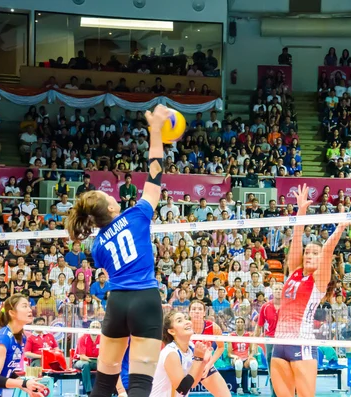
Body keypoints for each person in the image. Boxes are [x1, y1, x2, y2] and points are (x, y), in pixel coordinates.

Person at [66, 104, 172, 397]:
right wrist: (155, 131)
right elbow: (155, 173)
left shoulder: (97, 245)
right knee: (139, 383)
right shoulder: (137, 214)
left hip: (117, 304)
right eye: (108, 195)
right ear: (112, 207)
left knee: (104, 382)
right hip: (146, 300)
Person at [271, 184, 351, 397]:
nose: (309, 254)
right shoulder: (295, 271)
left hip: (302, 342)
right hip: (279, 343)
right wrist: (301, 211)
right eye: (308, 252)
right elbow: (297, 238)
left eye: (314, 253)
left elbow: (327, 252)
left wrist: (340, 229)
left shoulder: (319, 280)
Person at [0, 294, 47, 397]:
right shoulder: (3, 338)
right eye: (24, 306)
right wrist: (24, 383)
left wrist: (27, 387)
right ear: (12, 313)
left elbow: (7, 371)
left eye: (29, 306)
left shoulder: (21, 338)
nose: (30, 309)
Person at [150, 311, 230, 397]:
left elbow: (193, 384)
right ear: (172, 331)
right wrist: (198, 359)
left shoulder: (191, 347)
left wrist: (203, 361)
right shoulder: (170, 353)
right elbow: (182, 389)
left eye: (186, 318)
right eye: (180, 321)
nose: (187, 322)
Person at [254, 283, 282, 397]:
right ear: (272, 291)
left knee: (286, 369)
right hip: (270, 339)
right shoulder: (265, 307)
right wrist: (254, 343)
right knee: (272, 370)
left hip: (285, 339)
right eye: (276, 289)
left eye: (281, 289)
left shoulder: (288, 306)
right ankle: (274, 394)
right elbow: (259, 326)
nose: (278, 291)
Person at [189, 300, 225, 373]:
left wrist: (209, 364)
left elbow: (221, 347)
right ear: (189, 313)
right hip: (187, 364)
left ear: (204, 313)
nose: (197, 312)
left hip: (205, 364)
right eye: (193, 309)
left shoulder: (213, 327)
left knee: (221, 385)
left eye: (200, 309)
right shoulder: (184, 327)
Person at [228, 317, 259, 395]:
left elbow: (252, 351)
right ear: (235, 324)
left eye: (241, 322)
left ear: (244, 324)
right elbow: (229, 353)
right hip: (236, 358)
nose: (239, 323)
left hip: (246, 358)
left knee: (254, 363)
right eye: (238, 322)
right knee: (238, 363)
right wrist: (235, 357)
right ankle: (239, 387)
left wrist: (250, 356)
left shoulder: (248, 335)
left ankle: (253, 387)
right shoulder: (231, 335)